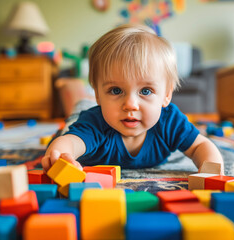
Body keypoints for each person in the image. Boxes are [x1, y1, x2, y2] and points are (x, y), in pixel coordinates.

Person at [42, 23, 224, 174]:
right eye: (115, 90)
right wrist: (62, 154)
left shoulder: (169, 121)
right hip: (86, 113)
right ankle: (84, 102)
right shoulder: (94, 123)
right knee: (75, 118)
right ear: (98, 93)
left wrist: (211, 171)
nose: (130, 104)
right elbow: (72, 141)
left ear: (167, 95)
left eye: (145, 91)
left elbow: (199, 146)